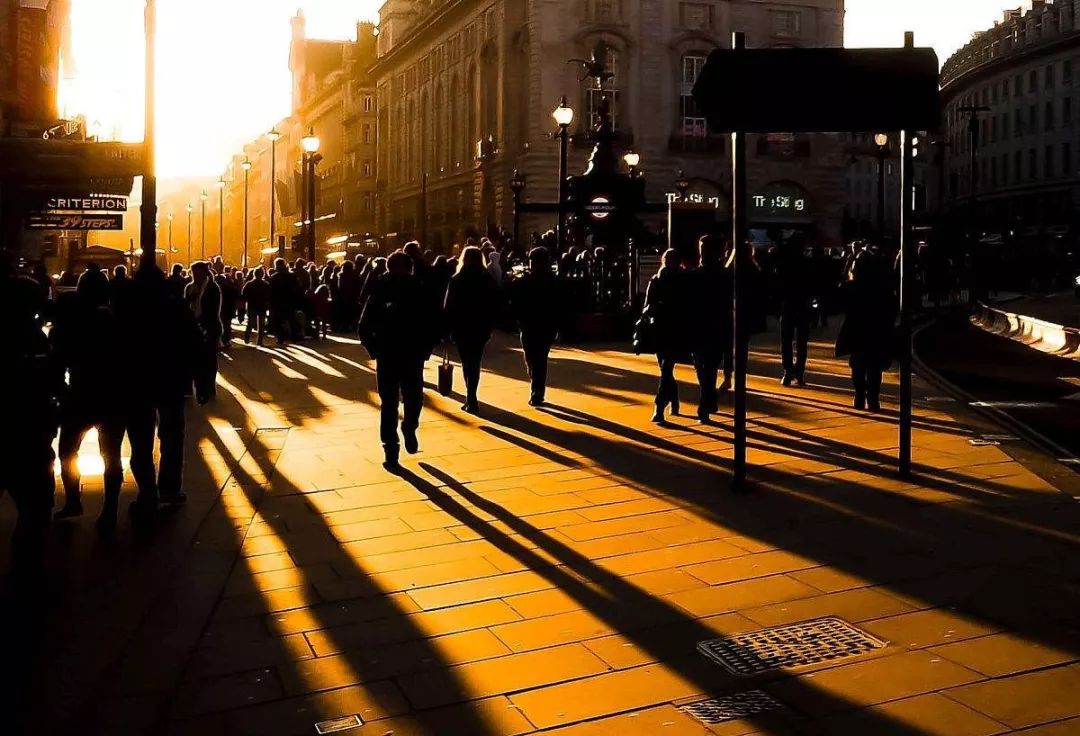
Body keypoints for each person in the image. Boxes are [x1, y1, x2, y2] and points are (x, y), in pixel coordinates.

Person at [51, 269, 127, 531]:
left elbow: (58, 360)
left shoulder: (70, 323)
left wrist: (58, 390)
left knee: (67, 451)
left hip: (80, 392)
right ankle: (110, 509)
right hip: (113, 394)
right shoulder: (115, 322)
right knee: (112, 455)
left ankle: (73, 499)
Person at [0, 251, 59, 576]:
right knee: (36, 506)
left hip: (22, 427)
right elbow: (48, 380)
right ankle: (26, 568)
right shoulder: (31, 338)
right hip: (28, 430)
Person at [358, 252, 439, 469]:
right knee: (413, 397)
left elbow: (364, 326)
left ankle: (392, 446)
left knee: (390, 402)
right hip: (410, 354)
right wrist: (426, 349)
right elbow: (433, 322)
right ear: (408, 268)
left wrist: (374, 350)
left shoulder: (381, 290)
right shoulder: (418, 289)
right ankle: (407, 429)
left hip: (389, 354)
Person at [836, 249, 896, 412]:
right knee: (874, 365)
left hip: (856, 328)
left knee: (858, 363)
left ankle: (859, 395)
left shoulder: (852, 286)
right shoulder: (882, 287)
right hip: (876, 328)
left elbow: (839, 299)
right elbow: (892, 307)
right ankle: (873, 399)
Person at [444, 246, 501, 413]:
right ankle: (472, 395)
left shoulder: (457, 279)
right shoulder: (487, 278)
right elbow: (495, 302)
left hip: (461, 326)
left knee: (466, 361)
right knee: (475, 361)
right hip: (481, 326)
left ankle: (470, 397)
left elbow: (448, 306)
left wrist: (447, 328)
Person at [508, 246, 564, 407]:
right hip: (533, 325)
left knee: (537, 358)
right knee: (533, 358)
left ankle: (537, 391)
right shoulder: (528, 280)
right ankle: (536, 383)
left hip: (537, 325)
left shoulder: (547, 281)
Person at [643, 249, 691, 423]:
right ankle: (674, 399)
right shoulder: (682, 280)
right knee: (666, 369)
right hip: (671, 329)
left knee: (666, 367)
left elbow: (647, 306)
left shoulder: (657, 280)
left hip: (664, 329)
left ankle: (659, 406)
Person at [691, 236, 733, 422]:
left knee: (702, 365)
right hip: (717, 324)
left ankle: (706, 401)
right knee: (710, 365)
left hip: (702, 325)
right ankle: (709, 398)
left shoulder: (698, 274)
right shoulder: (723, 274)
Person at [775, 233, 811, 387]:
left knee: (787, 340)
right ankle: (799, 372)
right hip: (802, 304)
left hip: (788, 303)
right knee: (801, 341)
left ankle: (788, 371)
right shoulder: (806, 262)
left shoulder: (785, 262)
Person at [185, 261, 222, 404]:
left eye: (197, 272)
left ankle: (209, 386)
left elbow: (214, 309)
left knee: (210, 359)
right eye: (193, 273)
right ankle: (198, 386)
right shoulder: (189, 288)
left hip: (210, 327)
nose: (195, 275)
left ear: (204, 272)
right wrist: (188, 300)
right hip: (193, 328)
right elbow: (185, 308)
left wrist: (204, 323)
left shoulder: (212, 288)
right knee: (195, 359)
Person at [269, 257, 297, 344]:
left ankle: (280, 337)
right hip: (289, 301)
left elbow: (271, 291)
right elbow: (296, 289)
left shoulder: (274, 277)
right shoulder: (292, 276)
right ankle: (293, 336)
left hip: (277, 302)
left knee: (277, 320)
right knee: (290, 318)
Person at [242, 266, 271, 345]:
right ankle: (259, 340)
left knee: (250, 322)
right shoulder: (265, 284)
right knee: (261, 324)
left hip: (252, 305)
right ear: (262, 274)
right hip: (262, 306)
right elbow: (269, 295)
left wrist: (247, 300)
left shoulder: (249, 284)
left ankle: (247, 337)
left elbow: (244, 293)